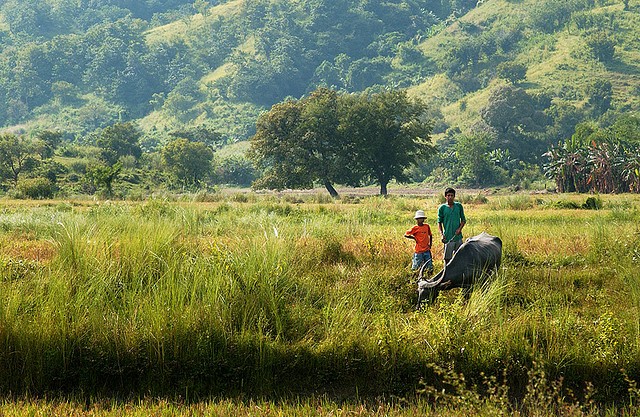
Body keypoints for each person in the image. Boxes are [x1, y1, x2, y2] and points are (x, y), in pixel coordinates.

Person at [437, 187, 466, 263]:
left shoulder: (458, 206)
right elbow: (439, 222)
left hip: (458, 236)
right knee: (447, 258)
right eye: (448, 195)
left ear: (454, 196)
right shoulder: (442, 208)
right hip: (448, 237)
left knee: (459, 256)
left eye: (451, 195)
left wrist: (459, 229)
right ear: (445, 196)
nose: (450, 197)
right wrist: (441, 234)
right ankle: (446, 272)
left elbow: (463, 220)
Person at [404, 210, 433, 274]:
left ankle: (429, 276)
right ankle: (413, 277)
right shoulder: (415, 228)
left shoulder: (426, 226)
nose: (420, 220)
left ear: (423, 219)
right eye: (419, 219)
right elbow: (406, 234)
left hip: (427, 250)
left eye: (422, 219)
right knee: (416, 266)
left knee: (429, 265)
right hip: (419, 251)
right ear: (416, 219)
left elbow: (430, 235)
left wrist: (430, 244)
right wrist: (414, 238)